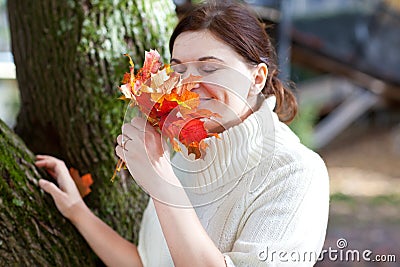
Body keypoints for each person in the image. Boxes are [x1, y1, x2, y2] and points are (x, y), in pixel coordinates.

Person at [35, 1, 329, 266]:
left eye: (210, 68)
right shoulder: (186, 158)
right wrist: (77, 211)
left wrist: (161, 182)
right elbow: (146, 263)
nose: (188, 84)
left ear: (257, 78)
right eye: (179, 70)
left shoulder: (297, 174)